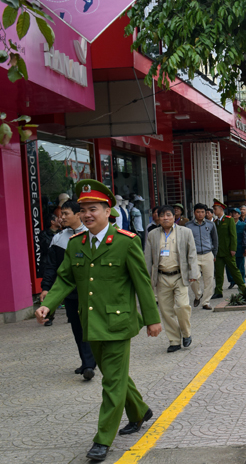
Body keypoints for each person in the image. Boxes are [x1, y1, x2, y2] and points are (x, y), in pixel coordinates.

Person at [35, 179, 162, 462]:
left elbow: (142, 283)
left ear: (107, 211)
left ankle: (102, 439)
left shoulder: (126, 242)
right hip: (91, 324)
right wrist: (48, 305)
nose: (87, 214)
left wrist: (153, 319)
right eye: (83, 210)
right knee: (115, 377)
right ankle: (140, 411)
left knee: (111, 383)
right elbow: (66, 278)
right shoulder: (76, 243)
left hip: (118, 325)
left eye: (93, 209)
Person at [40, 199, 97, 379]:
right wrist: (46, 288)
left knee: (89, 325)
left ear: (78, 214)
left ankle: (90, 363)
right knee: (77, 327)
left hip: (89, 290)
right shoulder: (58, 238)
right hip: (69, 293)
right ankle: (86, 361)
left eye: (65, 214)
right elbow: (51, 266)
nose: (62, 218)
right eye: (60, 215)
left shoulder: (91, 234)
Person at [145, 205, 199, 352]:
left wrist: (193, 274)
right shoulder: (152, 234)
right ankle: (174, 340)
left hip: (179, 276)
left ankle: (186, 333)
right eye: (162, 215)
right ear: (157, 218)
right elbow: (148, 258)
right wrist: (147, 279)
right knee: (166, 311)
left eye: (168, 215)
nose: (165, 218)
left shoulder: (185, 232)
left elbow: (192, 254)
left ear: (174, 216)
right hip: (162, 277)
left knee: (182, 306)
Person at [212, 199, 246, 299]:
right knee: (218, 272)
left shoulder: (229, 220)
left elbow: (233, 236)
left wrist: (233, 249)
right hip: (218, 252)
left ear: (220, 209)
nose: (214, 211)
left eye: (215, 209)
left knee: (234, 271)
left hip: (228, 251)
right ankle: (218, 291)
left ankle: (243, 288)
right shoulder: (215, 222)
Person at [186, 203, 218, 310]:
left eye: (203, 212)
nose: (200, 214)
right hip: (194, 255)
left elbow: (215, 240)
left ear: (206, 213)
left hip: (208, 254)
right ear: (194, 212)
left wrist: (214, 253)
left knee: (209, 279)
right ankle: (198, 295)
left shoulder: (210, 224)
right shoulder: (188, 226)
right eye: (198, 212)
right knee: (194, 278)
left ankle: (206, 302)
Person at [226, 208, 246, 289]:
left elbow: (245, 238)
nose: (234, 214)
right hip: (229, 248)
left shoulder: (243, 225)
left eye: (236, 213)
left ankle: (241, 281)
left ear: (239, 215)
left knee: (240, 265)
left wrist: (245, 248)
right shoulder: (228, 224)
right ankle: (232, 281)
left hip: (239, 248)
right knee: (229, 266)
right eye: (232, 213)